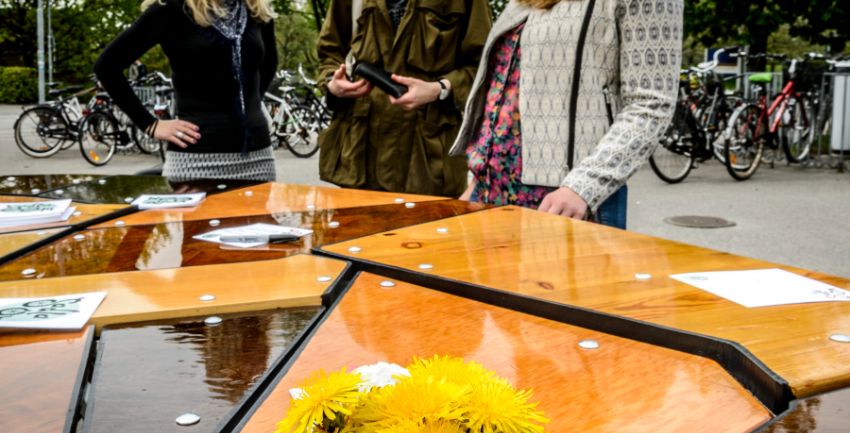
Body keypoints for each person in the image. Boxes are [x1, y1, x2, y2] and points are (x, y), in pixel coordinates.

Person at [452, 0, 683, 228]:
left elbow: (651, 103)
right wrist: (478, 179)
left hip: (563, 203)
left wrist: (583, 187)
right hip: (492, 195)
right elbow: (506, 85)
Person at [316, 0, 491, 196]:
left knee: (429, 226)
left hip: (427, 161)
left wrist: (439, 88)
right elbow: (330, 51)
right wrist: (333, 82)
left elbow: (485, 64)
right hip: (360, 155)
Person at [94, 0, 278, 182]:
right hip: (195, 159)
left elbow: (270, 63)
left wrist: (252, 107)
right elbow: (107, 67)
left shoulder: (257, 10)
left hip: (258, 157)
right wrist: (149, 124)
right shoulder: (170, 9)